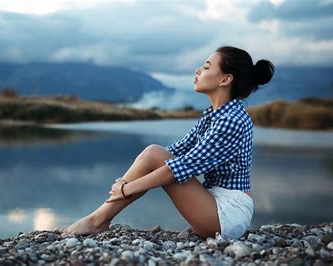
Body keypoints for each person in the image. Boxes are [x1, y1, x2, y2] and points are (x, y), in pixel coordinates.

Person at [57, 46, 274, 239]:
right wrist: (135, 176)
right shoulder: (213, 114)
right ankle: (98, 219)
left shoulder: (231, 120)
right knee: (154, 153)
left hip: (226, 215)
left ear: (225, 79)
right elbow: (175, 151)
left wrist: (127, 188)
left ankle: (97, 221)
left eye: (207, 67)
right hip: (213, 203)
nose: (198, 71)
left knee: (157, 157)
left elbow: (183, 166)